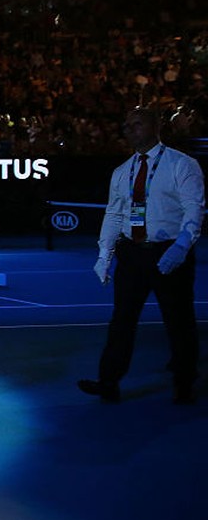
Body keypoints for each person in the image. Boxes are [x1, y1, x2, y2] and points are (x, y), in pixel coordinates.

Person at [79, 107, 203, 404]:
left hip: (169, 252)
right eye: (127, 125)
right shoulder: (122, 172)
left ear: (155, 126)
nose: (130, 129)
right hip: (132, 254)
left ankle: (184, 383)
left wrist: (181, 247)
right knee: (121, 321)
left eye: (137, 124)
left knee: (179, 321)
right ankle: (108, 382)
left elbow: (194, 208)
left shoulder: (181, 165)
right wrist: (104, 255)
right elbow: (114, 213)